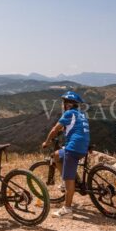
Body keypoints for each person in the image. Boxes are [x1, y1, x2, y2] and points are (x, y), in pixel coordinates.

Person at [42, 91, 90, 219]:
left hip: (73, 148)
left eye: (63, 103)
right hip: (83, 147)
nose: (62, 105)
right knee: (56, 155)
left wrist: (46, 142)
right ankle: (67, 182)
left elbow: (54, 129)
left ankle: (67, 210)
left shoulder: (68, 113)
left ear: (68, 105)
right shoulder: (81, 115)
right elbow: (71, 128)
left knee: (70, 180)